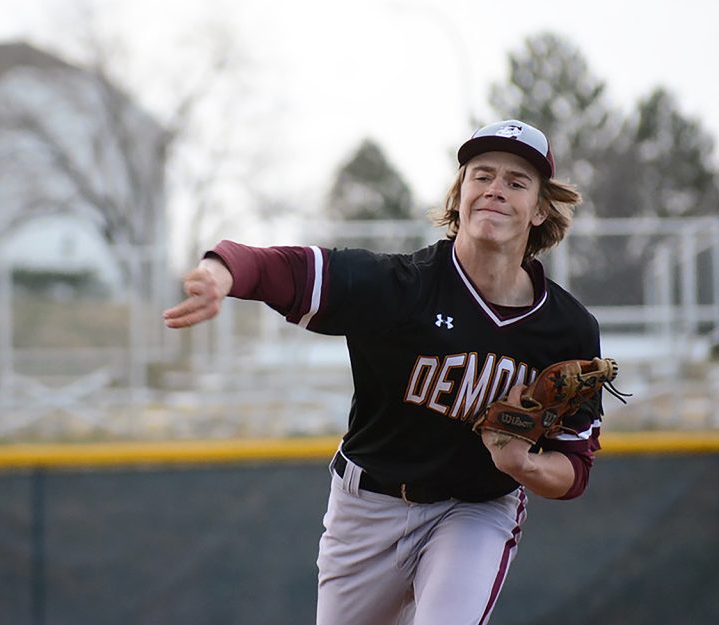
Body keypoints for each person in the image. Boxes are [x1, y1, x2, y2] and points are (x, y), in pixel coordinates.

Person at [163, 119, 600, 625]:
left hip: (475, 509)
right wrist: (221, 271)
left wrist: (522, 465)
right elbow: (287, 269)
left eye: (516, 182)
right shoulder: (402, 287)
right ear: (459, 194)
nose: (495, 190)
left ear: (541, 209)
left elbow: (575, 469)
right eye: (482, 176)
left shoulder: (566, 329)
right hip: (368, 507)